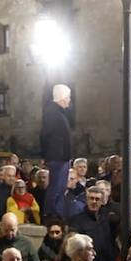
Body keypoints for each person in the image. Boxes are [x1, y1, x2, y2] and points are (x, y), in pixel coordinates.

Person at [41, 84, 74, 219]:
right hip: (57, 156)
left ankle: (57, 215)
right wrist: (45, 154)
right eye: (68, 97)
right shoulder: (52, 112)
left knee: (60, 188)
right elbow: (45, 135)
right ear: (62, 98)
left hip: (62, 156)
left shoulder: (58, 112)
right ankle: (52, 215)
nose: (69, 100)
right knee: (56, 188)